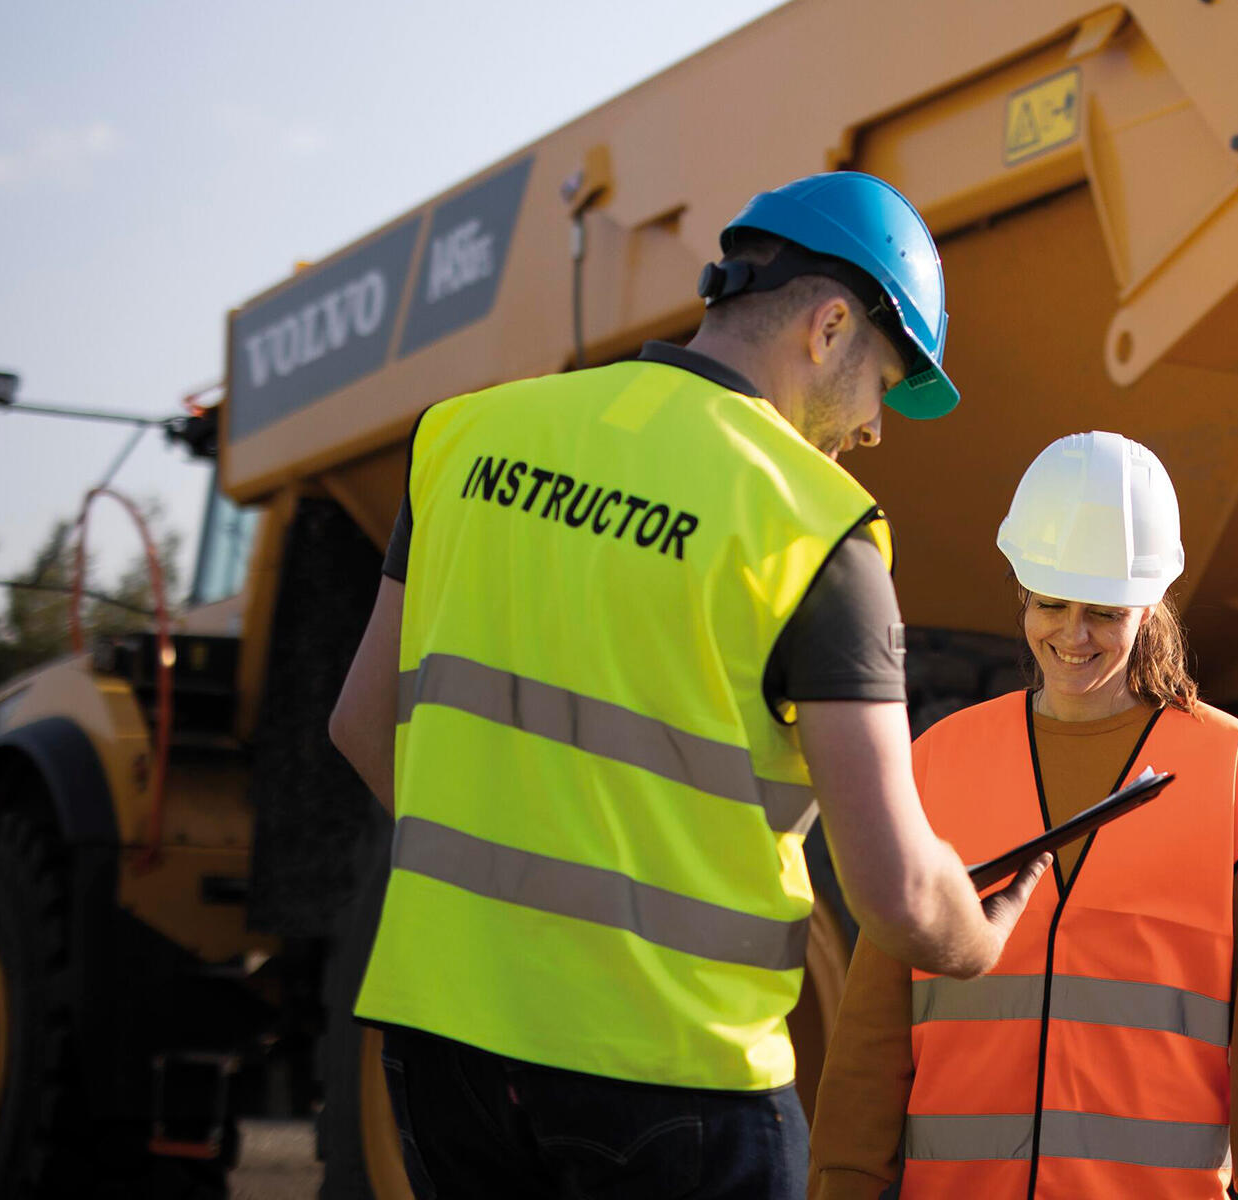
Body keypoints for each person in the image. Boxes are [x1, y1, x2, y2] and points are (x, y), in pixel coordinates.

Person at [327, 170, 1049, 1200]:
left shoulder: (465, 437)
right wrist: (977, 935)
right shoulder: (814, 527)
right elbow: (892, 891)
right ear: (830, 325)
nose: (876, 429)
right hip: (672, 1071)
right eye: (883, 383)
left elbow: (363, 725)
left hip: (441, 1040)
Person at [807, 431, 1238, 1199]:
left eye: (1105, 612)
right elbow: (874, 1023)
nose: (1073, 636)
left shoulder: (1237, 779)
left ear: (1149, 608)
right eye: (1051, 604)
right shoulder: (939, 764)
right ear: (1021, 592)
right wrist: (840, 1181)